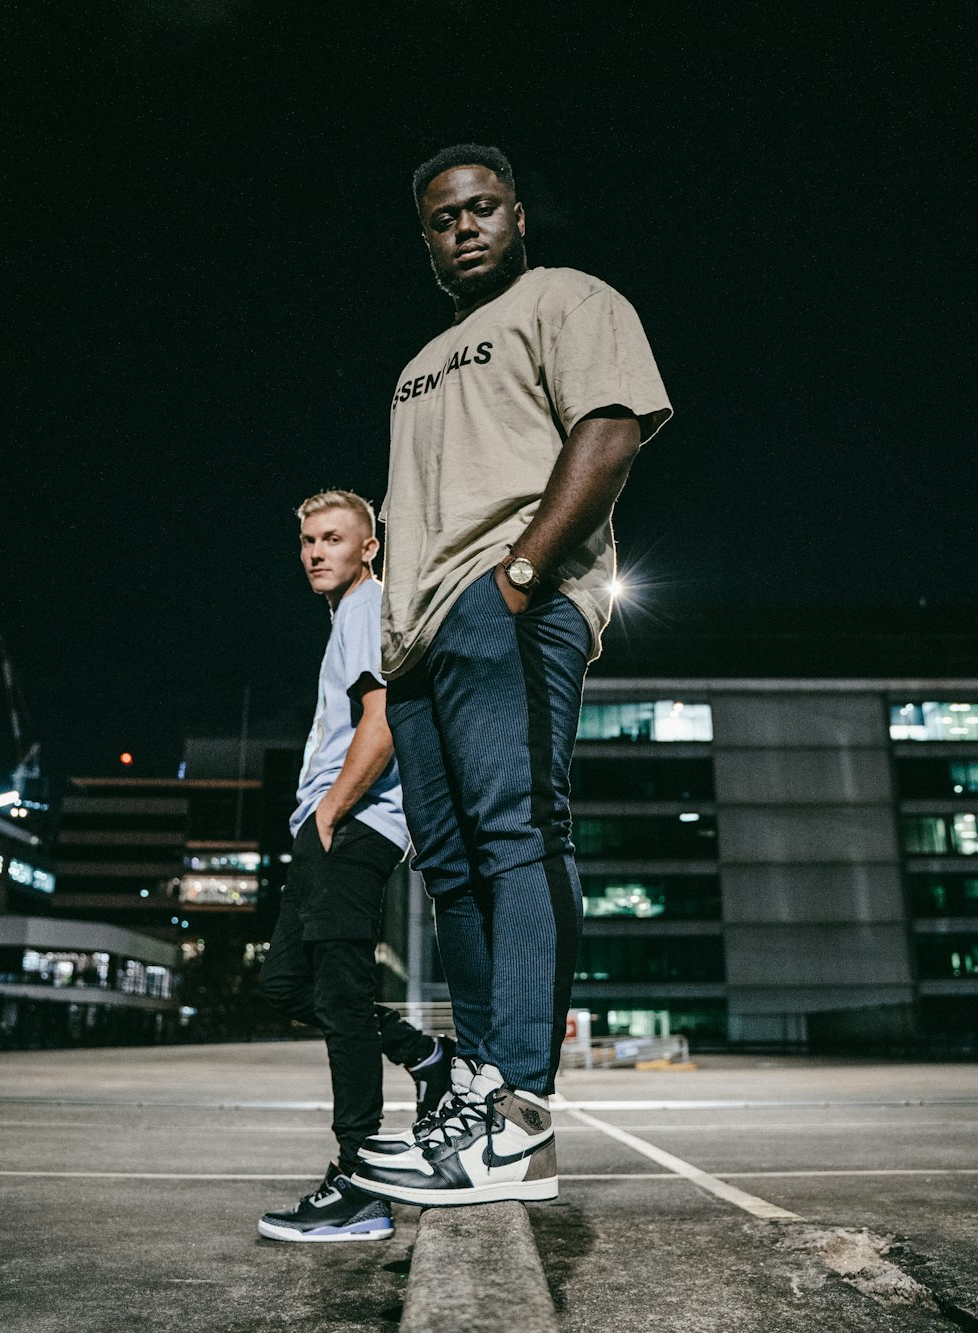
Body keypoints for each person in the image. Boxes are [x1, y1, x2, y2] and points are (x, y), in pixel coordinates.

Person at [351, 145, 672, 1207]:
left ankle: (519, 1114)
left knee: (519, 833)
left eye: (482, 207)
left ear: (519, 214)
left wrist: (521, 578)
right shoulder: (411, 368)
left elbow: (612, 427)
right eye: (442, 220)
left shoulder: (566, 297)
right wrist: (392, 653)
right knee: (451, 875)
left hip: (507, 607)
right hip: (419, 644)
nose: (464, 228)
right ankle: (474, 1107)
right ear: (427, 243)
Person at [258, 489, 454, 1242]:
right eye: (307, 539)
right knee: (287, 985)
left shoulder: (369, 608)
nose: (314, 551)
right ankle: (426, 1056)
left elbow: (382, 726)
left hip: (355, 826)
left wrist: (333, 812)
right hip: (325, 830)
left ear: (368, 547)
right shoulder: (348, 618)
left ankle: (359, 1184)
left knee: (340, 995)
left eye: (332, 537)